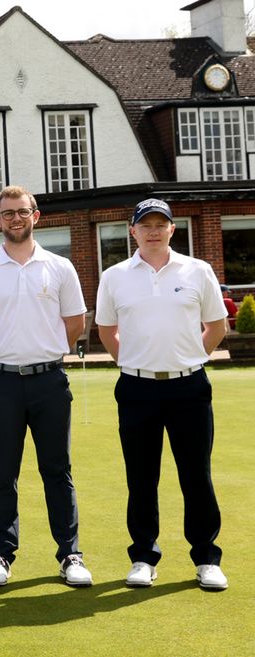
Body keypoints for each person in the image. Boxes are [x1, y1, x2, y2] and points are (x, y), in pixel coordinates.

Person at [96, 198, 229, 591]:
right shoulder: (115, 275)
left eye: (161, 224)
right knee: (141, 477)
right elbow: (107, 331)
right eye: (145, 225)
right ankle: (142, 556)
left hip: (189, 386)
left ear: (173, 229)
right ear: (132, 231)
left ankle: (206, 558)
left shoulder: (198, 270)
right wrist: (136, 364)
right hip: (136, 388)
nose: (153, 231)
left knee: (196, 476)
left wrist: (188, 359)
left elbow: (216, 326)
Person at [0, 185, 92, 588]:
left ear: (36, 216)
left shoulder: (60, 267)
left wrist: (42, 352)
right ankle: (0, 554)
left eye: (22, 212)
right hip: (2, 382)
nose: (15, 219)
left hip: (50, 381)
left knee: (57, 470)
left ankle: (70, 554)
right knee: (3, 472)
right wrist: (9, 356)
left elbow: (75, 324)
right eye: (7, 214)